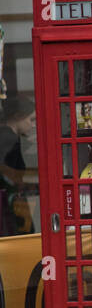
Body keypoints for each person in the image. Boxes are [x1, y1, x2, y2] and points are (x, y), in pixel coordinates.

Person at [0, 95, 36, 236]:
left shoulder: (9, 135)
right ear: (18, 116)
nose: (32, 125)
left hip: (12, 196)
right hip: (10, 197)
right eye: (30, 119)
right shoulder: (8, 137)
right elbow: (3, 168)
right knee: (21, 234)